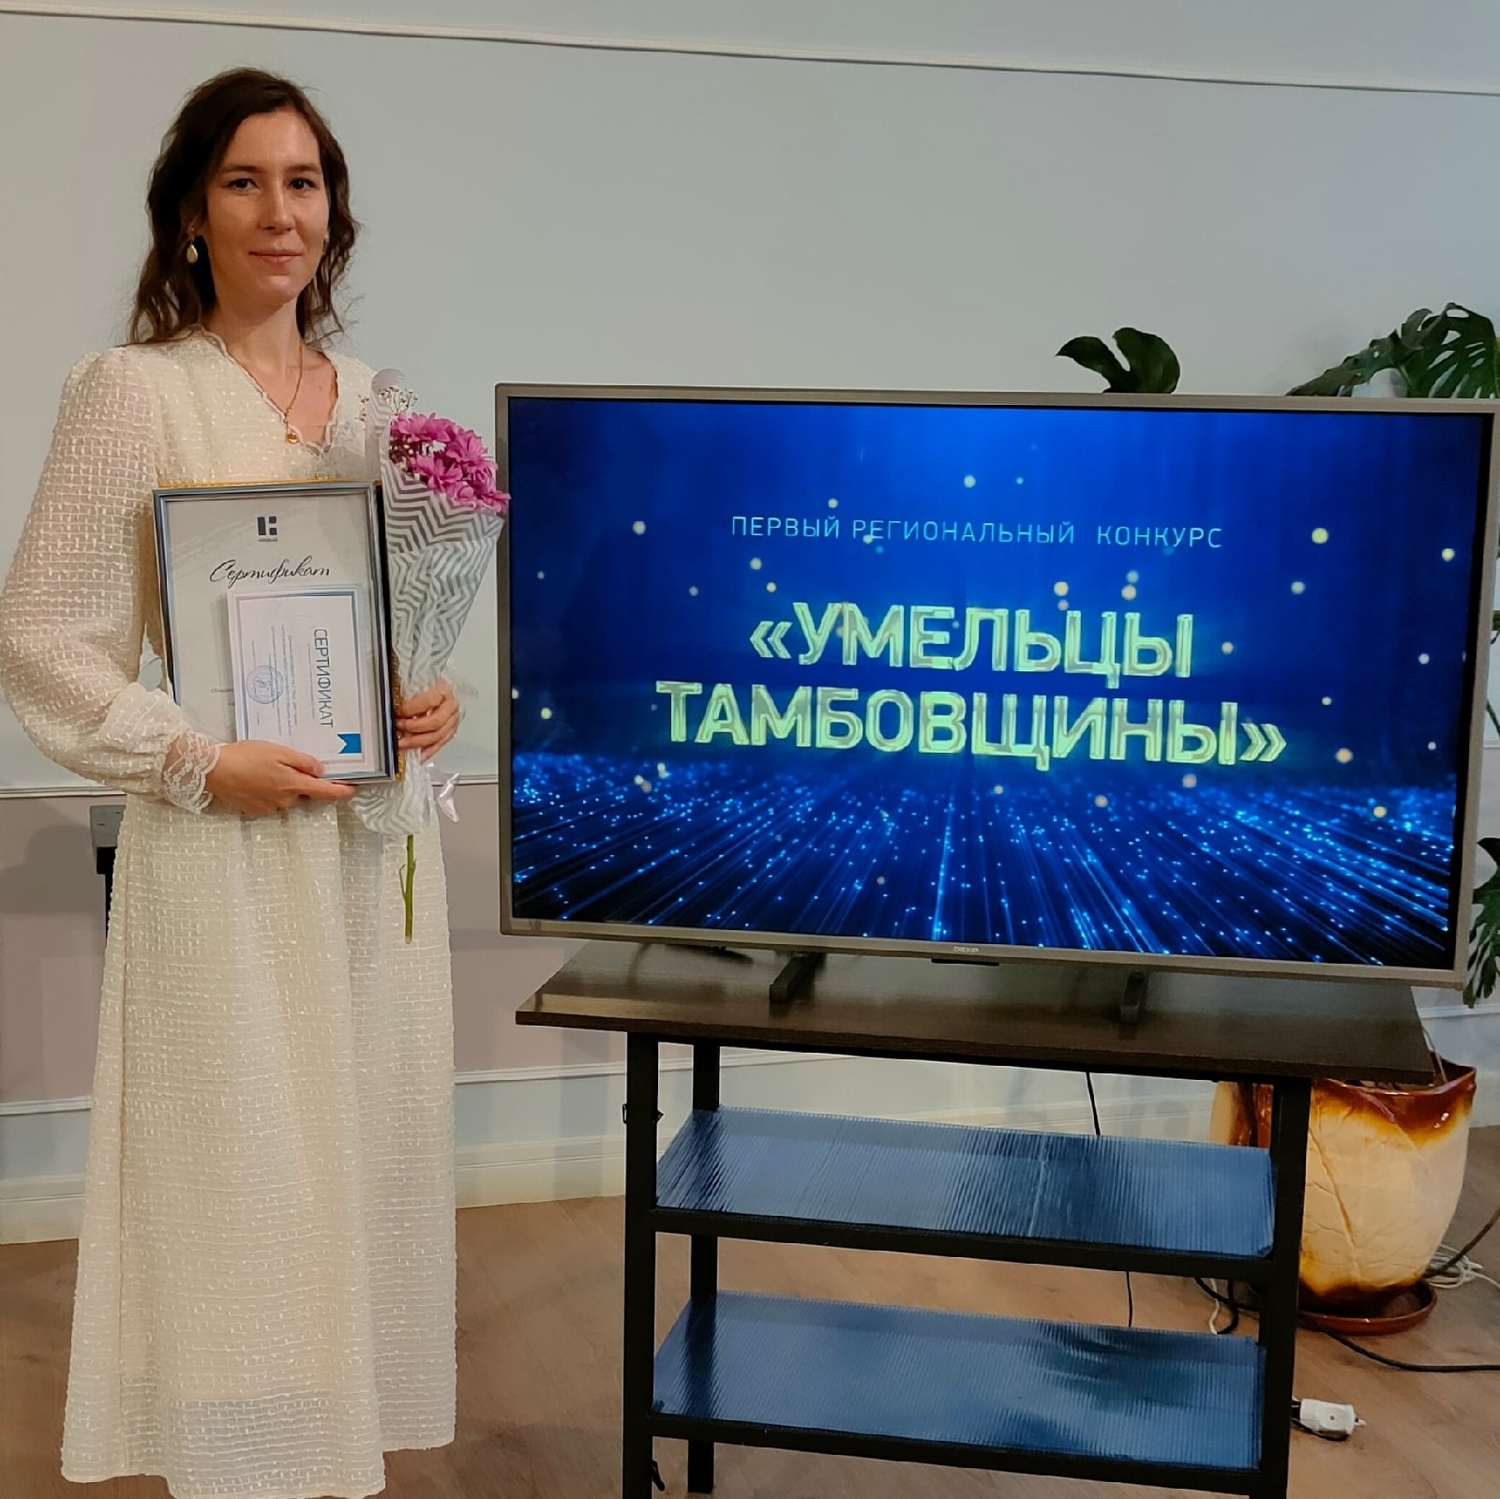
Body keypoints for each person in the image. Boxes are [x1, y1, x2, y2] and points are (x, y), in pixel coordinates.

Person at [0, 69, 462, 1499]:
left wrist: (427, 699)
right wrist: (198, 760)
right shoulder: (134, 393)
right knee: (234, 1172)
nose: (280, 212)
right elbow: (41, 639)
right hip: (218, 844)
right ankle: (234, 1460)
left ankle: (327, 1448)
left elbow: (400, 622)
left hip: (365, 852)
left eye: (303, 182)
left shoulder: (385, 410)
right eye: (245, 182)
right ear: (192, 215)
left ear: (335, 212)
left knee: (359, 1156)